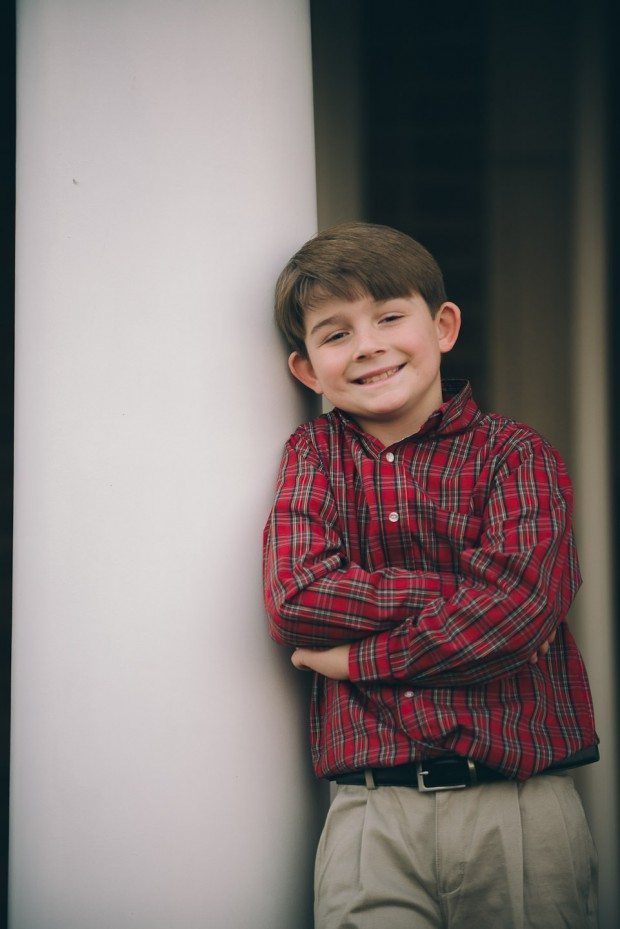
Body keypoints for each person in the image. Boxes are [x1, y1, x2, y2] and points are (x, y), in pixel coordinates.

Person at [263, 222, 599, 929]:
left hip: (518, 805)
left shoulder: (517, 456)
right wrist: (469, 597)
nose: (369, 345)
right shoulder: (312, 455)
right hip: (370, 814)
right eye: (335, 333)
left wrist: (359, 658)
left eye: (389, 316)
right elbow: (296, 597)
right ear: (305, 370)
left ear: (442, 326)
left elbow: (521, 610)